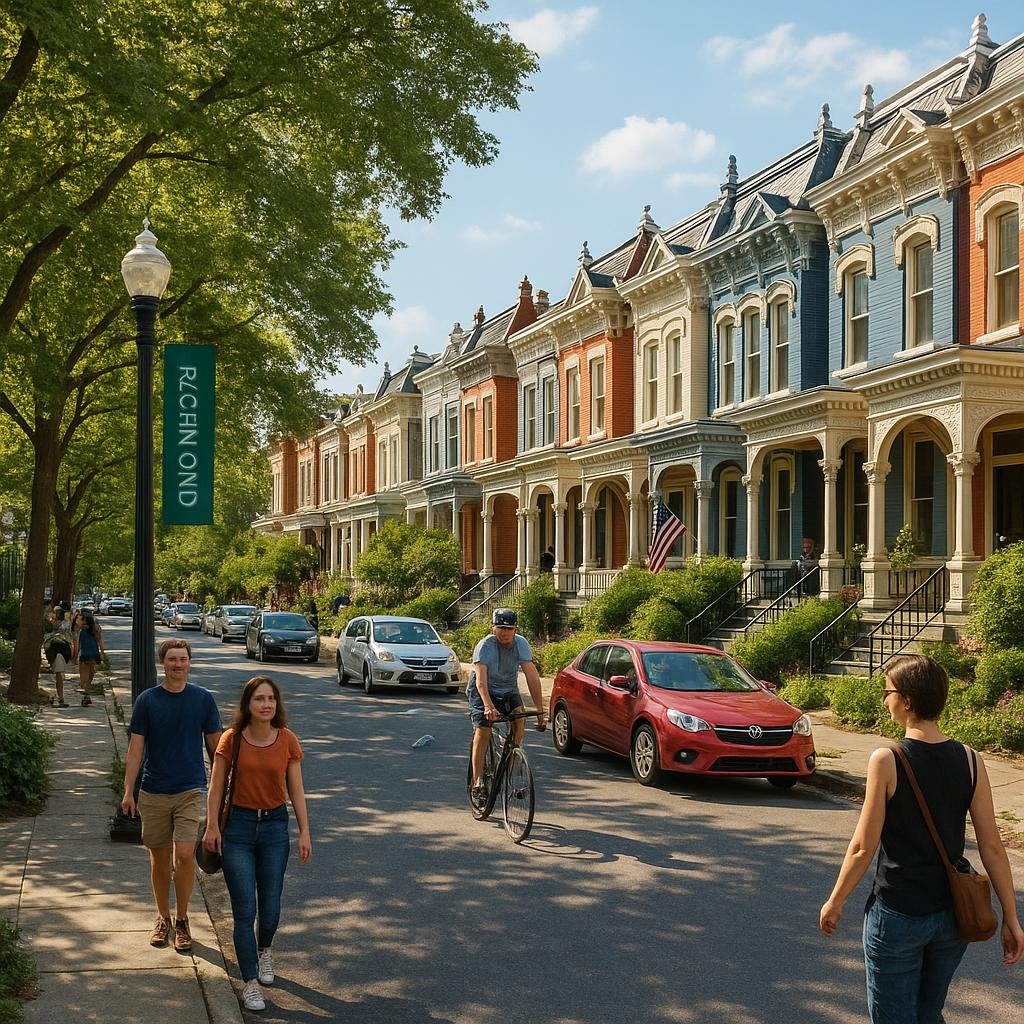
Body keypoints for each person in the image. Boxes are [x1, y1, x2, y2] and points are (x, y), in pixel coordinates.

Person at [819, 655, 1024, 1022]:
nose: (885, 700)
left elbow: (863, 847)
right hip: (952, 917)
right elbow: (992, 847)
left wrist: (836, 900)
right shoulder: (971, 760)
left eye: (888, 692)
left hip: (898, 913)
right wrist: (1011, 917)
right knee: (928, 1013)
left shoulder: (887, 759)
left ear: (907, 700)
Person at [203, 676, 311, 1012]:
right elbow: (216, 786)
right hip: (237, 829)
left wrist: (304, 831)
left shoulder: (287, 739)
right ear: (247, 704)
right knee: (244, 910)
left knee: (271, 906)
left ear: (277, 704)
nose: (266, 705)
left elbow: (296, 789)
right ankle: (250, 982)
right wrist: (211, 827)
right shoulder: (232, 739)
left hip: (275, 828)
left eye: (271, 699)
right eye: (259, 699)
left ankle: (265, 950)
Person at [121, 639, 222, 954]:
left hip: (190, 790)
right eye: (172, 659)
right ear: (162, 663)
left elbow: (217, 748)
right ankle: (163, 918)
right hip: (153, 790)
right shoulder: (148, 701)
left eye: (183, 659)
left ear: (189, 663)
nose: (178, 664)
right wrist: (128, 790)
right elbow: (136, 748)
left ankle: (182, 919)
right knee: (160, 858)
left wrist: (224, 787)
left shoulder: (202, 699)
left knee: (185, 856)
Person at [466, 608, 546, 805]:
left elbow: (532, 677)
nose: (505, 632)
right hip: (483, 690)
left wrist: (540, 711)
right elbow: (481, 681)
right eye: (500, 628)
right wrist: (488, 706)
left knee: (520, 720)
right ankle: (478, 783)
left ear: (515, 629)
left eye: (509, 628)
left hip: (508, 689)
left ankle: (507, 767)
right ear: (493, 628)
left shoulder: (521, 644)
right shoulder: (486, 646)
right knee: (483, 729)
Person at [42, 603, 73, 708]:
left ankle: (60, 697)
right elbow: (48, 632)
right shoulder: (47, 622)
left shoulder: (66, 623)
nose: (57, 614)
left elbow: (65, 632)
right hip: (53, 649)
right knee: (58, 673)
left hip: (63, 649)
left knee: (59, 674)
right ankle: (60, 698)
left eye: (58, 613)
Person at [72, 611, 105, 706]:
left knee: (83, 679)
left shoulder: (81, 632)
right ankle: (87, 693)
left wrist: (74, 658)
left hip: (84, 656)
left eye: (82, 621)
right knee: (90, 676)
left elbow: (77, 646)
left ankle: (86, 695)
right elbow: (100, 642)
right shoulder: (96, 631)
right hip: (94, 656)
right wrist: (103, 654)